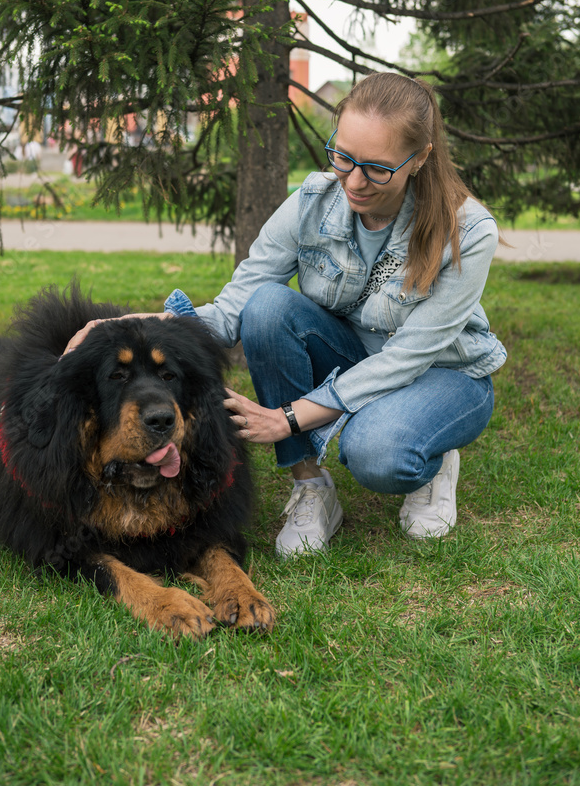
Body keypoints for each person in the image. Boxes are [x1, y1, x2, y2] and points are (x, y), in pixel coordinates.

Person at [65, 72, 507, 558]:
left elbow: (408, 357)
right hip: (356, 358)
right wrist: (120, 327)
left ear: (419, 157)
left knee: (374, 454)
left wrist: (287, 418)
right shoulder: (312, 203)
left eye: (377, 169)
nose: (354, 182)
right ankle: (311, 485)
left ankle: (430, 454)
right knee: (267, 307)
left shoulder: (468, 231)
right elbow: (232, 310)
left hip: (443, 375)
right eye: (343, 157)